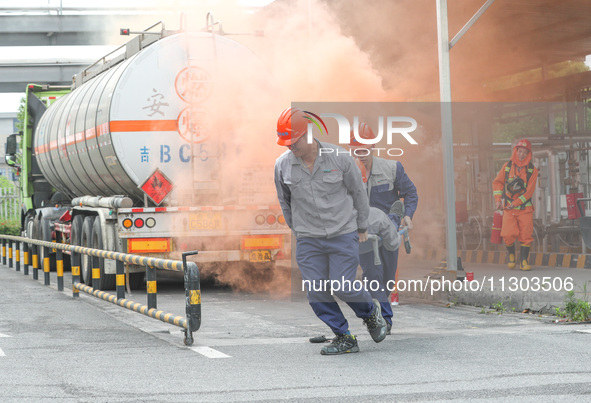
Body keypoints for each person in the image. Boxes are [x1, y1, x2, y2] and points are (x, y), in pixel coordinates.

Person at [274, 107, 387, 355]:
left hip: (342, 233)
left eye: (293, 142)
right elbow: (285, 201)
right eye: (285, 143)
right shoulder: (282, 166)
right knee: (316, 292)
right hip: (308, 239)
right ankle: (344, 336)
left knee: (342, 285)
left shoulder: (340, 158)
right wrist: (299, 230)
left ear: (308, 134)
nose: (289, 147)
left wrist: (361, 227)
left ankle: (369, 312)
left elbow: (358, 193)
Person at [349, 122, 418, 333]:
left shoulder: (392, 168)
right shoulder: (348, 173)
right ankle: (385, 320)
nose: (360, 154)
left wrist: (408, 215)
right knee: (372, 274)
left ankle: (395, 217)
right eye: (356, 150)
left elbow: (411, 193)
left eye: (364, 150)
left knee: (387, 278)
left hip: (389, 233)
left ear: (372, 147)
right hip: (365, 234)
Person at [492, 139, 538, 271]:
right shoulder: (507, 167)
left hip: (525, 209)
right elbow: (497, 183)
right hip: (508, 209)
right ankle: (511, 255)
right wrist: (498, 199)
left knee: (526, 236)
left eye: (525, 152)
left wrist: (516, 203)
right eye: (520, 151)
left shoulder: (532, 170)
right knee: (507, 234)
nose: (522, 154)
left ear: (528, 154)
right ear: (516, 151)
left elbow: (529, 192)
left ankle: (523, 261)